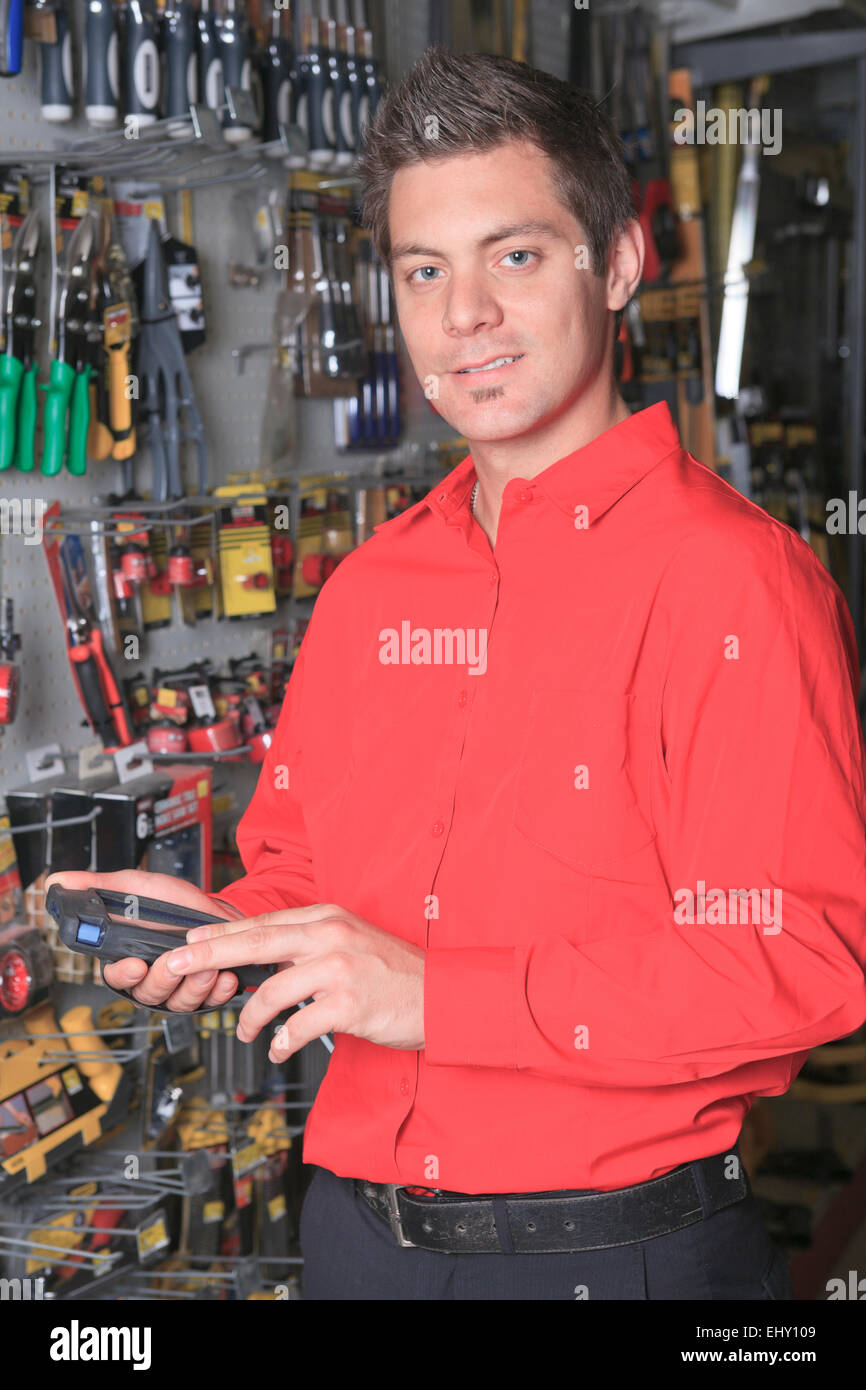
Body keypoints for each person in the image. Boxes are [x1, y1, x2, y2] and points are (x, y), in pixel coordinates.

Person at [48, 47, 866, 1301]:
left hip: (612, 1258)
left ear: (621, 265)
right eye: (423, 270)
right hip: (356, 1246)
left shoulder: (733, 583)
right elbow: (305, 871)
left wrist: (441, 999)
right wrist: (220, 932)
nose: (463, 314)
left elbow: (800, 959)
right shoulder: (372, 587)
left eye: (516, 255)